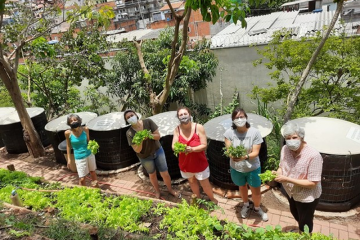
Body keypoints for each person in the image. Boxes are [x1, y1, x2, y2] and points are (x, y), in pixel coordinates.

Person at [274, 123, 323, 233]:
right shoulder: (285, 149)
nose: (291, 140)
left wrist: (287, 179)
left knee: (305, 220)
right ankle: (301, 231)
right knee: (295, 213)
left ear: (302, 137)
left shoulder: (313, 155)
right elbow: (281, 166)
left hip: (306, 196)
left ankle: (305, 235)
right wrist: (278, 173)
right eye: (288, 138)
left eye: (294, 137)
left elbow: (312, 183)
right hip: (291, 192)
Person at [224, 108, 268, 221]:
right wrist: (232, 156)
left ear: (246, 117)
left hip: (252, 167)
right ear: (233, 120)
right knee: (242, 186)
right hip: (236, 168)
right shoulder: (229, 133)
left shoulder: (254, 132)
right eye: (236, 118)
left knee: (256, 190)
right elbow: (229, 150)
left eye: (241, 117)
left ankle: (258, 208)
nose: (239, 119)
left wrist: (244, 157)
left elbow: (256, 152)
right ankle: (246, 204)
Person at [124, 109, 180, 199]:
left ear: (136, 115)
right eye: (128, 117)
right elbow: (137, 150)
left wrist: (149, 136)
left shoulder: (148, 122)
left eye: (132, 115)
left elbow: (158, 136)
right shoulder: (129, 133)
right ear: (127, 121)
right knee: (152, 174)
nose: (131, 118)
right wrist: (141, 140)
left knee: (165, 173)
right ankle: (157, 191)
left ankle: (170, 190)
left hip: (158, 150)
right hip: (145, 156)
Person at [172, 107, 218, 204]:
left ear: (189, 114)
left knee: (205, 184)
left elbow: (204, 145)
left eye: (185, 114)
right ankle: (198, 198)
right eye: (181, 115)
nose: (183, 116)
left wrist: (192, 149)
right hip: (186, 164)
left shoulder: (199, 127)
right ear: (178, 117)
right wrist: (178, 148)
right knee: (192, 182)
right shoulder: (177, 130)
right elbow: (173, 146)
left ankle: (213, 199)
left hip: (199, 163)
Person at [65, 114, 98, 187]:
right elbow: (68, 145)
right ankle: (83, 190)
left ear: (79, 120)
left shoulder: (85, 129)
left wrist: (93, 146)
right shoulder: (68, 133)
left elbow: (88, 141)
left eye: (75, 120)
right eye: (71, 121)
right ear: (69, 123)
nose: (73, 122)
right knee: (82, 178)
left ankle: (96, 188)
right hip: (79, 157)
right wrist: (69, 159)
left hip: (89, 154)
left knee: (92, 172)